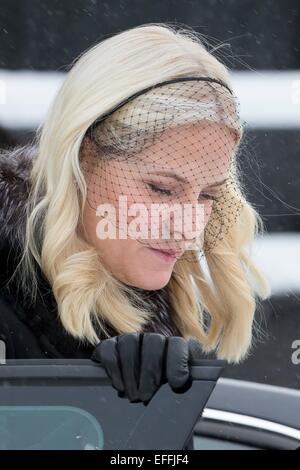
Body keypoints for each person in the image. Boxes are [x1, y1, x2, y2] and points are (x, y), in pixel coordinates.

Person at [0, 24, 271, 448]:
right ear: (81, 158)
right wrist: (86, 405)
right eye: (161, 189)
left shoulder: (158, 322)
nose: (186, 227)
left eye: (207, 195)